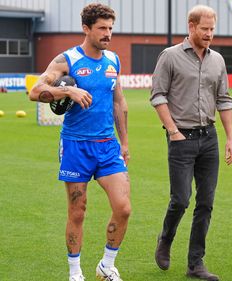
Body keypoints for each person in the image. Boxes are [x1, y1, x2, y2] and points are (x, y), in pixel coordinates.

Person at [28, 3, 131, 281]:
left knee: (123, 208)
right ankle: (75, 273)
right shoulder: (67, 60)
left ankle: (106, 265)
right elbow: (35, 91)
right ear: (86, 28)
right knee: (78, 211)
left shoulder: (113, 60)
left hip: (108, 145)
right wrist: (68, 89)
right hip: (76, 145)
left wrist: (124, 142)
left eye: (110, 28)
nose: (108, 33)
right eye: (102, 28)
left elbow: (118, 100)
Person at [150, 5, 232, 281]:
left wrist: (231, 139)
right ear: (191, 26)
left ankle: (195, 263)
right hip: (181, 138)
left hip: (208, 138)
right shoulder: (170, 57)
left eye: (212, 29)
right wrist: (173, 130)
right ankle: (165, 238)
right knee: (181, 199)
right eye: (205, 29)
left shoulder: (217, 61)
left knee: (206, 203)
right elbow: (158, 95)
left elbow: (224, 100)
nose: (210, 34)